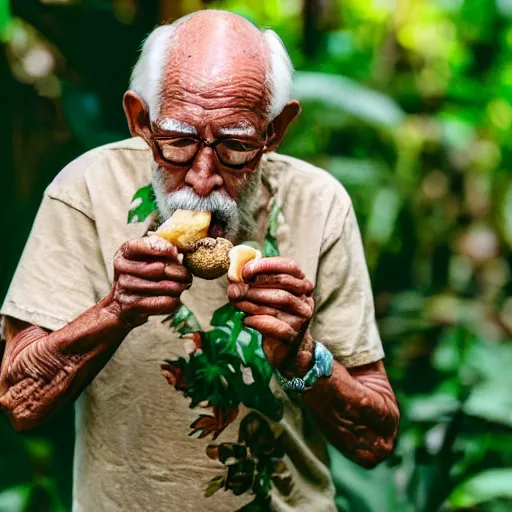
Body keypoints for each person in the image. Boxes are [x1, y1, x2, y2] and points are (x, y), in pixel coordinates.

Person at [0, 10, 399, 512]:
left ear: (274, 131)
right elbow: (21, 402)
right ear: (140, 119)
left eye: (235, 145)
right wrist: (115, 311)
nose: (203, 178)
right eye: (179, 141)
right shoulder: (85, 190)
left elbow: (374, 441)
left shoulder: (319, 204)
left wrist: (301, 355)